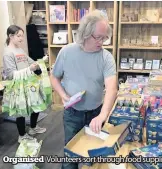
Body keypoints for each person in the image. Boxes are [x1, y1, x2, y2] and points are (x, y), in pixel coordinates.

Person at [50, 10, 117, 169]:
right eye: (98, 37)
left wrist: (102, 115)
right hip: (72, 113)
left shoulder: (106, 57)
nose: (101, 42)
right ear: (86, 33)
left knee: (94, 158)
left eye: (105, 37)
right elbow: (54, 77)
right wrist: (63, 95)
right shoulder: (67, 52)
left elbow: (112, 89)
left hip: (96, 113)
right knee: (70, 156)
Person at [2, 25, 46, 143]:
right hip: (17, 87)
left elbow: (29, 61)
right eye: (19, 36)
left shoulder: (19, 49)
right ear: (11, 36)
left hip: (28, 83)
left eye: (22, 35)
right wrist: (29, 69)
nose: (21, 38)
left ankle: (33, 127)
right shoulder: (8, 53)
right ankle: (21, 135)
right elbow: (11, 75)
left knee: (35, 105)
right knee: (20, 111)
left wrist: (38, 63)